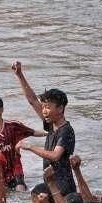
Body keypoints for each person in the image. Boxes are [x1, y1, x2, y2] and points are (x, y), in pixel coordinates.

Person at [12, 61, 76, 195]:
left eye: (48, 107)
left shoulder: (66, 130)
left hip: (63, 187)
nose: (44, 111)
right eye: (43, 107)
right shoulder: (51, 124)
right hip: (51, 182)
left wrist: (30, 146)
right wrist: (20, 75)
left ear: (60, 108)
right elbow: (32, 100)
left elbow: (55, 156)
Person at [0, 96, 44, 191]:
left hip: (16, 168)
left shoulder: (12, 126)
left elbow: (32, 132)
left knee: (20, 191)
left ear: (1, 110)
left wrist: (50, 133)